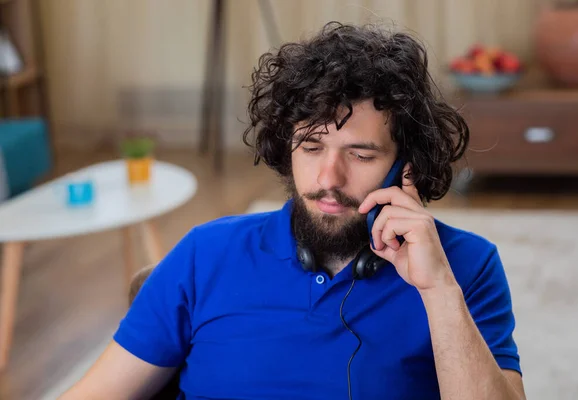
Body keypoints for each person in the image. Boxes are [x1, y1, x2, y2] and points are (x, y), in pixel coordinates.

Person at [60, 21, 526, 400]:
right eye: (311, 146)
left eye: (360, 156)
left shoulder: (465, 267)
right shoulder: (207, 253)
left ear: (406, 166)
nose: (327, 179)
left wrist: (439, 290)